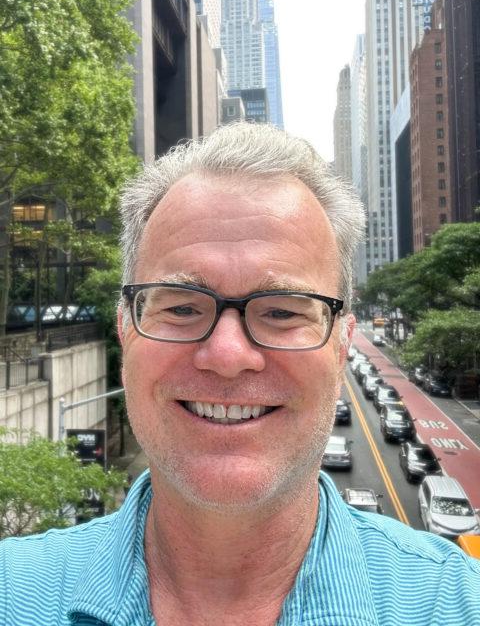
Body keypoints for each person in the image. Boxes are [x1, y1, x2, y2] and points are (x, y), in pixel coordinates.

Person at [1, 123, 479, 626]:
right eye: (182, 308)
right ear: (126, 331)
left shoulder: (456, 605)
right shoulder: (13, 595)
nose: (228, 355)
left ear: (341, 346)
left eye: (282, 312)